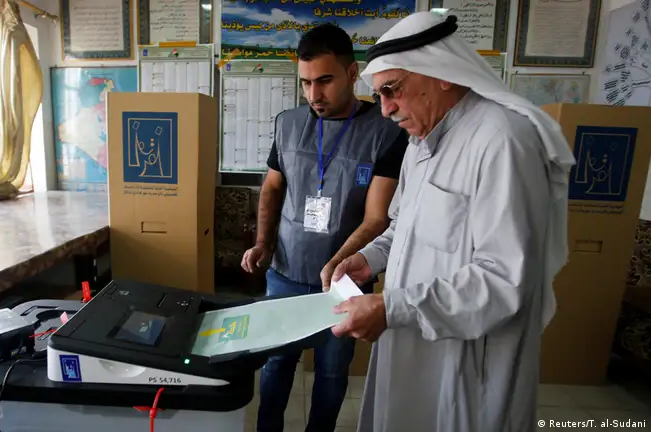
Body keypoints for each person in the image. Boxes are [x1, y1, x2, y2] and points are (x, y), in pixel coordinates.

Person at [327, 12, 576, 432]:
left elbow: (504, 279)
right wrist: (369, 259)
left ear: (440, 72)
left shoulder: (503, 140)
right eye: (379, 94)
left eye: (392, 90)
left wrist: (393, 307)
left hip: (466, 359)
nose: (385, 109)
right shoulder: (420, 139)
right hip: (409, 337)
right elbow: (403, 226)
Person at [241, 23, 409, 432]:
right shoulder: (288, 124)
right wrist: (263, 243)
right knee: (277, 363)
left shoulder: (386, 132)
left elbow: (377, 217)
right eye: (306, 83)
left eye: (325, 81)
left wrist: (336, 264)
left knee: (332, 373)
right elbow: (273, 187)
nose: (314, 94)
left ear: (352, 74)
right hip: (285, 270)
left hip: (344, 280)